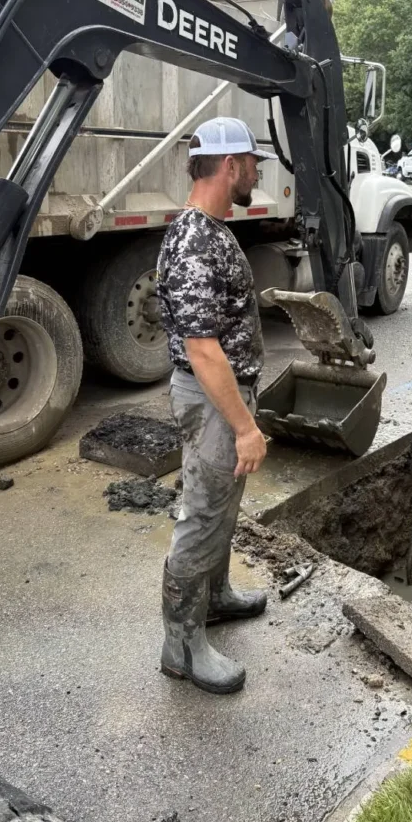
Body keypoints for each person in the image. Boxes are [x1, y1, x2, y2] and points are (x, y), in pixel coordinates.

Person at [156, 116, 276, 695]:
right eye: (252, 163)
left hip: (221, 400)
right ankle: (181, 647)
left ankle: (217, 598)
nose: (256, 173)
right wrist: (245, 426)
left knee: (221, 508)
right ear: (230, 166)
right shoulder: (196, 240)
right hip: (212, 403)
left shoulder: (209, 230)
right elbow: (203, 351)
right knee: (201, 518)